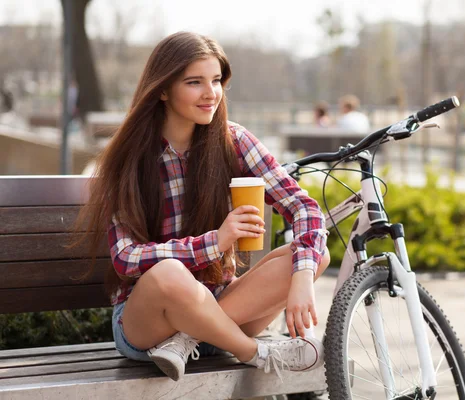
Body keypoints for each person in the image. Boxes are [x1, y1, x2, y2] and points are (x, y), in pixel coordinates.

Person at [74, 32, 330, 382]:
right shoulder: (130, 158)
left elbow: (305, 209)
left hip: (222, 318)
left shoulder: (233, 142)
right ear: (163, 89)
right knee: (169, 273)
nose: (210, 93)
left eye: (216, 80)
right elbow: (126, 258)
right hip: (150, 328)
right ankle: (255, 354)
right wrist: (216, 241)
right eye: (195, 82)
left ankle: (188, 338)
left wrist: (302, 278)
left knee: (314, 254)